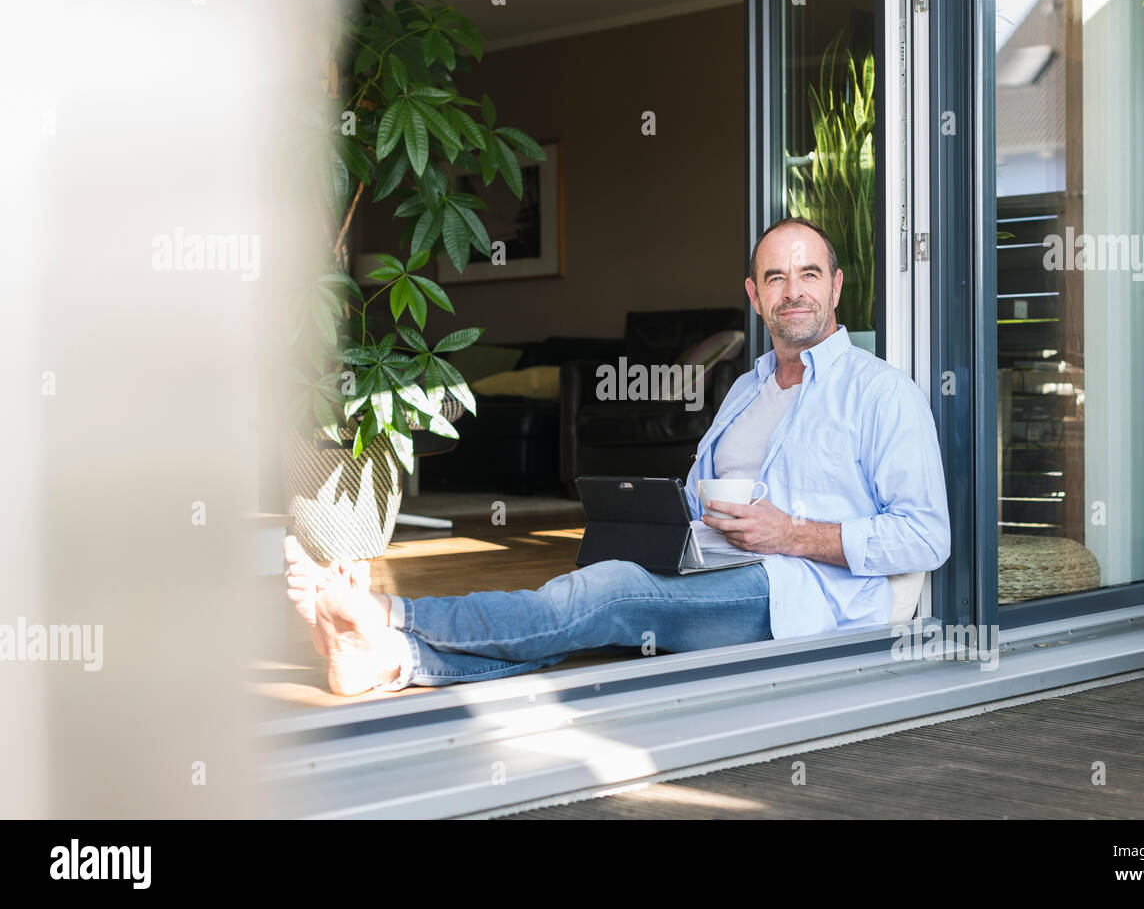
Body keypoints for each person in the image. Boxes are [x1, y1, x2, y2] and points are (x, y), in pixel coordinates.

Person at [284, 217, 951, 695]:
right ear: (755, 296)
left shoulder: (882, 394)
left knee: (608, 595)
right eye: (774, 277)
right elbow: (700, 495)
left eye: (809, 273)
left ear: (836, 287)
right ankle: (390, 661)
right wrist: (657, 517)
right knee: (597, 603)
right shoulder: (746, 390)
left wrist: (793, 533)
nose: (793, 290)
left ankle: (389, 615)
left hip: (799, 593)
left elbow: (927, 536)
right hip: (714, 560)